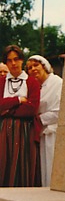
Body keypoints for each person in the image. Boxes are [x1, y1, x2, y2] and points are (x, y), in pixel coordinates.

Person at [0, 45, 41, 187]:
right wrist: (17, 100)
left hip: (24, 131)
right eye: (9, 60)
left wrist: (6, 109)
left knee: (22, 163)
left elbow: (31, 109)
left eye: (16, 59)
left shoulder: (32, 83)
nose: (13, 63)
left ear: (22, 60)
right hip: (3, 130)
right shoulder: (1, 82)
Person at [26, 55, 63, 186]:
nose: (33, 69)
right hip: (41, 132)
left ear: (44, 65)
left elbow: (60, 111)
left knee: (52, 166)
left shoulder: (57, 83)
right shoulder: (36, 87)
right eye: (30, 67)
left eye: (36, 65)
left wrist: (39, 118)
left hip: (53, 132)